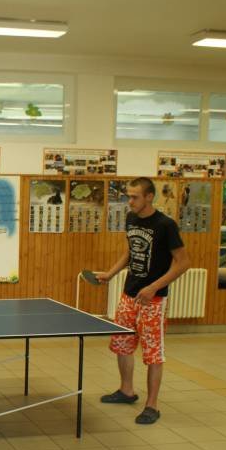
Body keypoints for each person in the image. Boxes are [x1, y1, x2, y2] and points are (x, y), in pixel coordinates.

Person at [95, 177, 189, 425]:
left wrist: (154, 287)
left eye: (135, 196)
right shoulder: (131, 219)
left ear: (149, 197)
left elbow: (183, 263)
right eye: (129, 196)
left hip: (153, 300)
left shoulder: (166, 225)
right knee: (122, 345)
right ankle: (127, 390)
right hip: (129, 294)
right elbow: (130, 251)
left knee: (153, 354)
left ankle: (152, 405)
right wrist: (110, 273)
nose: (130, 201)